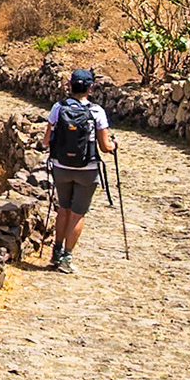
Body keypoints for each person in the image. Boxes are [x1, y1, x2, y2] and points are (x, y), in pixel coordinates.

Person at [40, 68, 115, 274]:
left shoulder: (58, 107)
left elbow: (46, 140)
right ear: (90, 88)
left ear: (70, 86)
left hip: (61, 168)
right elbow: (105, 147)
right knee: (78, 213)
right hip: (87, 170)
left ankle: (55, 251)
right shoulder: (97, 111)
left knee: (63, 209)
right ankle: (66, 257)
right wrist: (114, 145)